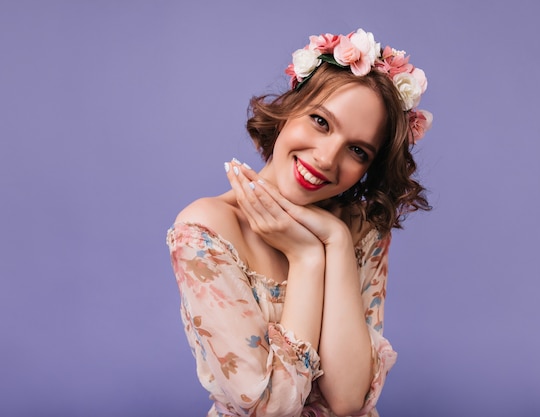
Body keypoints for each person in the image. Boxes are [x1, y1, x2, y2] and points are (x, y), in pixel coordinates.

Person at [166, 28, 433, 417]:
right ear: (290, 108)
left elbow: (347, 401)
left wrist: (337, 242)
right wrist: (307, 256)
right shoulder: (206, 231)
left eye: (357, 150)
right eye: (321, 122)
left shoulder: (360, 229)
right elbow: (271, 411)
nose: (326, 158)